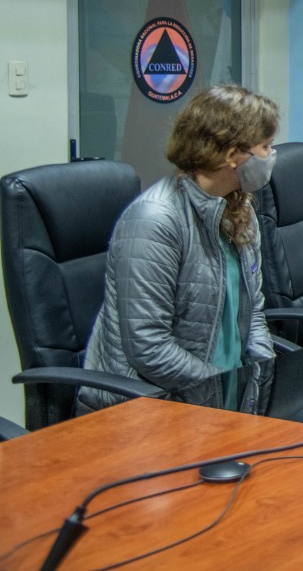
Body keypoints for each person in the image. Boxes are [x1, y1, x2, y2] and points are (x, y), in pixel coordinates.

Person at [79, 85, 280, 411]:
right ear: (232, 155)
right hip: (155, 408)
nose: (271, 156)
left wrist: (263, 378)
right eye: (266, 146)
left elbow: (252, 313)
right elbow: (149, 348)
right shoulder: (154, 220)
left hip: (223, 398)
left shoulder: (240, 210)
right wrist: (222, 390)